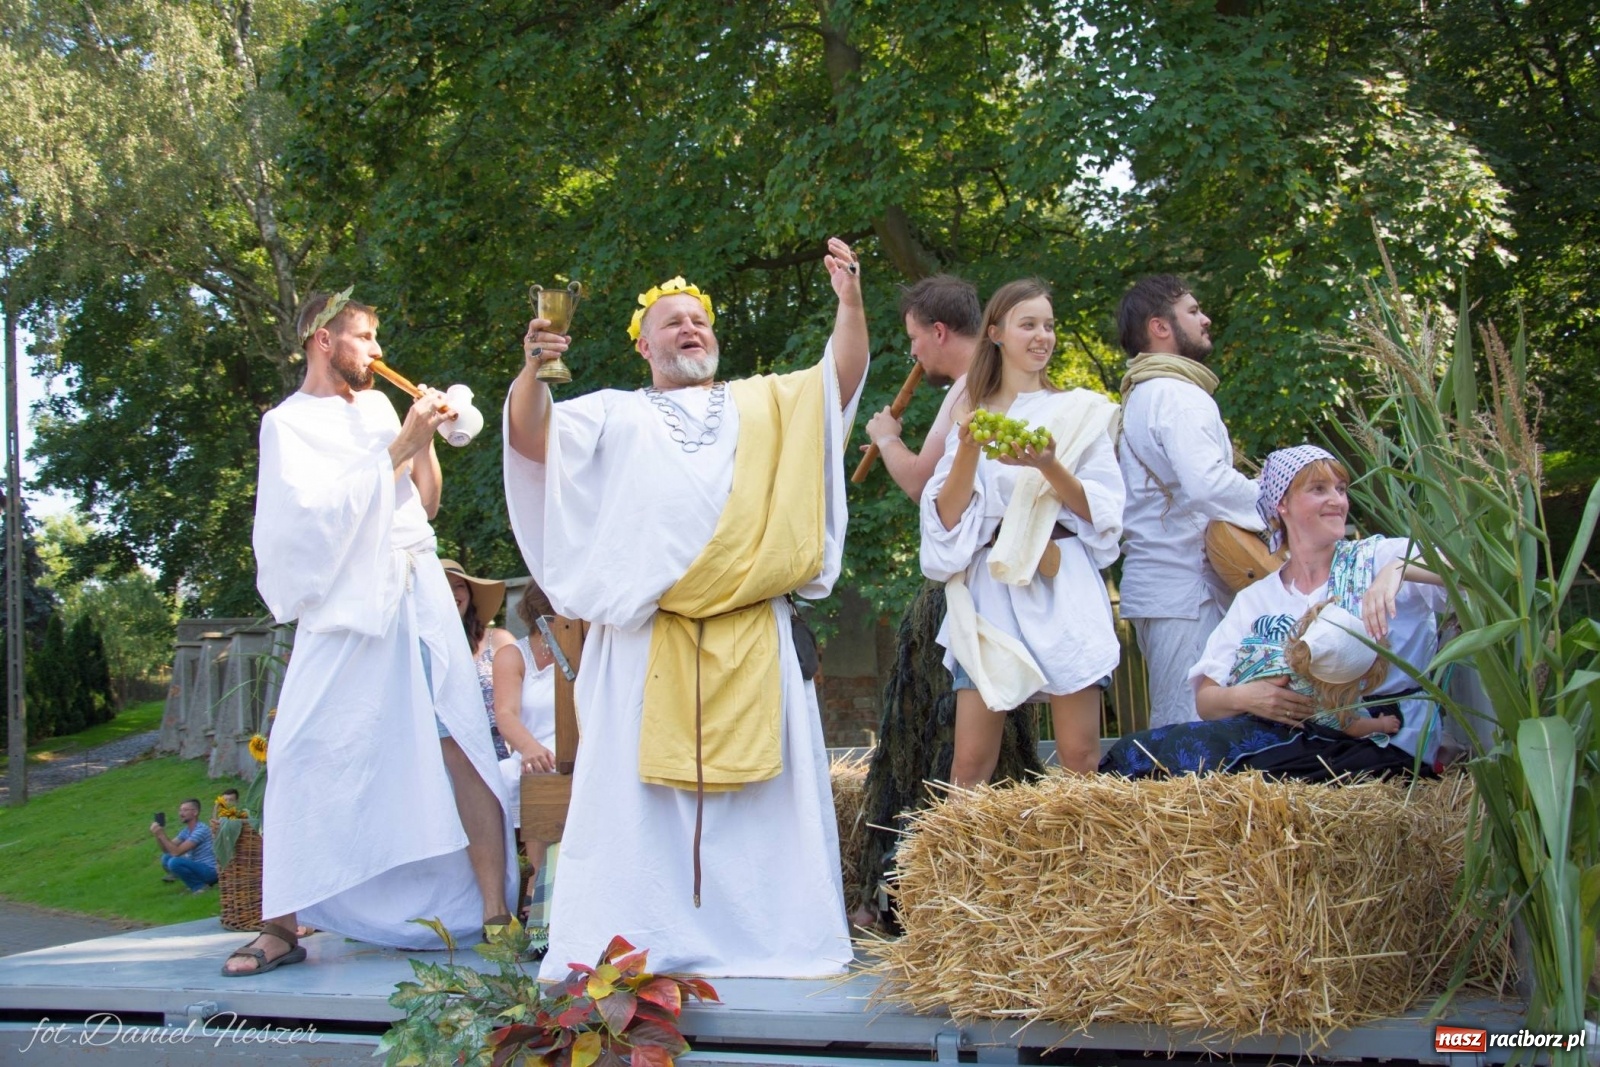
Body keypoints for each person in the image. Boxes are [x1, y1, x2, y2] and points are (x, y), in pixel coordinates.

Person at [504, 237, 868, 978]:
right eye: (672, 322)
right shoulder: (611, 412)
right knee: (638, 808)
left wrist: (851, 303)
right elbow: (531, 435)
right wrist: (533, 370)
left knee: (763, 808)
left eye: (698, 320)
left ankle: (772, 944)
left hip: (754, 633)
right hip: (645, 639)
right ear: (643, 345)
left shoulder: (765, 403)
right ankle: (638, 940)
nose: (689, 329)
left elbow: (838, 381)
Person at [233, 288, 516, 977]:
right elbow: (302, 527)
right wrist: (401, 443)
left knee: (458, 736)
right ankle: (280, 923)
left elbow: (424, 502)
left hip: (413, 584)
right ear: (323, 341)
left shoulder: (383, 407)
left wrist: (428, 438)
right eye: (365, 338)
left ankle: (495, 911)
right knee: (298, 744)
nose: (378, 353)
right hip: (345, 599)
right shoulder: (288, 424)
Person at [1100, 445, 1446, 781]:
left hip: (1380, 735)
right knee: (1139, 754)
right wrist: (1246, 697)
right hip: (1285, 733)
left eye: (1341, 489)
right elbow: (1207, 701)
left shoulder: (1380, 557)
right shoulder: (1258, 598)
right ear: (1282, 504)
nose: (1337, 501)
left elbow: (1467, 575)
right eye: (1319, 489)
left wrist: (1398, 570)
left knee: (1251, 776)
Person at [920, 279, 1125, 785]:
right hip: (993, 589)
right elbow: (946, 516)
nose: (1042, 336)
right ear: (996, 333)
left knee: (1079, 757)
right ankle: (959, 864)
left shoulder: (1080, 410)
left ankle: (1086, 860)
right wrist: (967, 447)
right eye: (1028, 324)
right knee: (970, 762)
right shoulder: (975, 415)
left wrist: (1049, 465)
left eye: (1049, 326)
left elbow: (1103, 509)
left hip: (1062, 580)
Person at [1114, 275, 1263, 728]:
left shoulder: (1143, 394)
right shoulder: (1176, 394)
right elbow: (1208, 483)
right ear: (1160, 327)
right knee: (1191, 736)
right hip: (1186, 591)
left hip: (1169, 590)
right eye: (1193, 312)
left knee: (1187, 727)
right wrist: (1277, 504)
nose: (1206, 319)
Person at [860, 274, 983, 498]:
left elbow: (921, 484)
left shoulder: (971, 385)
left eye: (914, 338)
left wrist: (886, 438)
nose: (913, 352)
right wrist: (894, 452)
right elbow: (943, 495)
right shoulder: (1000, 373)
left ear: (939, 332)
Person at [491, 582, 558, 926]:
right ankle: (537, 886)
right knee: (537, 774)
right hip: (531, 751)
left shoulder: (587, 648)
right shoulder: (513, 655)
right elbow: (506, 714)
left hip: (580, 752)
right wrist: (530, 747)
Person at [442, 559, 516, 759]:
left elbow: (527, 700)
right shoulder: (420, 649)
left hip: (496, 757)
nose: (454, 593)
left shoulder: (498, 641)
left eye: (459, 586)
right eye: (444, 586)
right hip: (443, 757)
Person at [151, 799, 218, 892]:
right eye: (180, 810)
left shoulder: (201, 830)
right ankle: (195, 883)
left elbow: (176, 852)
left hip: (210, 871)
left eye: (185, 810)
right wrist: (158, 835)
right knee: (166, 857)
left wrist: (162, 834)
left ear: (195, 812)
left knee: (174, 862)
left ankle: (199, 887)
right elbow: (166, 850)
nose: (181, 813)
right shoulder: (186, 831)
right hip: (198, 867)